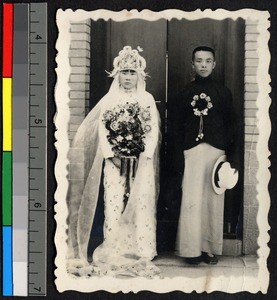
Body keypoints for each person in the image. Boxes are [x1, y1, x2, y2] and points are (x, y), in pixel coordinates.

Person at [66, 46, 161, 277]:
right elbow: (102, 129)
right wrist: (112, 155)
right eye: (124, 71)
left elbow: (152, 130)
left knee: (141, 201)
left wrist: (143, 155)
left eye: (132, 72)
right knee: (115, 201)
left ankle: (142, 248)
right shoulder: (110, 100)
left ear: (139, 75)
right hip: (114, 161)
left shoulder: (146, 98)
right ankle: (114, 247)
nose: (128, 77)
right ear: (117, 74)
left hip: (141, 161)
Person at [172, 46, 239, 265]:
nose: (203, 65)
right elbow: (177, 126)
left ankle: (209, 249)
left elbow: (232, 126)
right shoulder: (184, 92)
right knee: (191, 199)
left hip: (217, 152)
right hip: (191, 151)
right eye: (199, 61)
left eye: (207, 61)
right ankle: (191, 250)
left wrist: (232, 156)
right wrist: (179, 153)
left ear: (214, 64)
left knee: (213, 200)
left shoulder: (223, 92)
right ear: (192, 64)